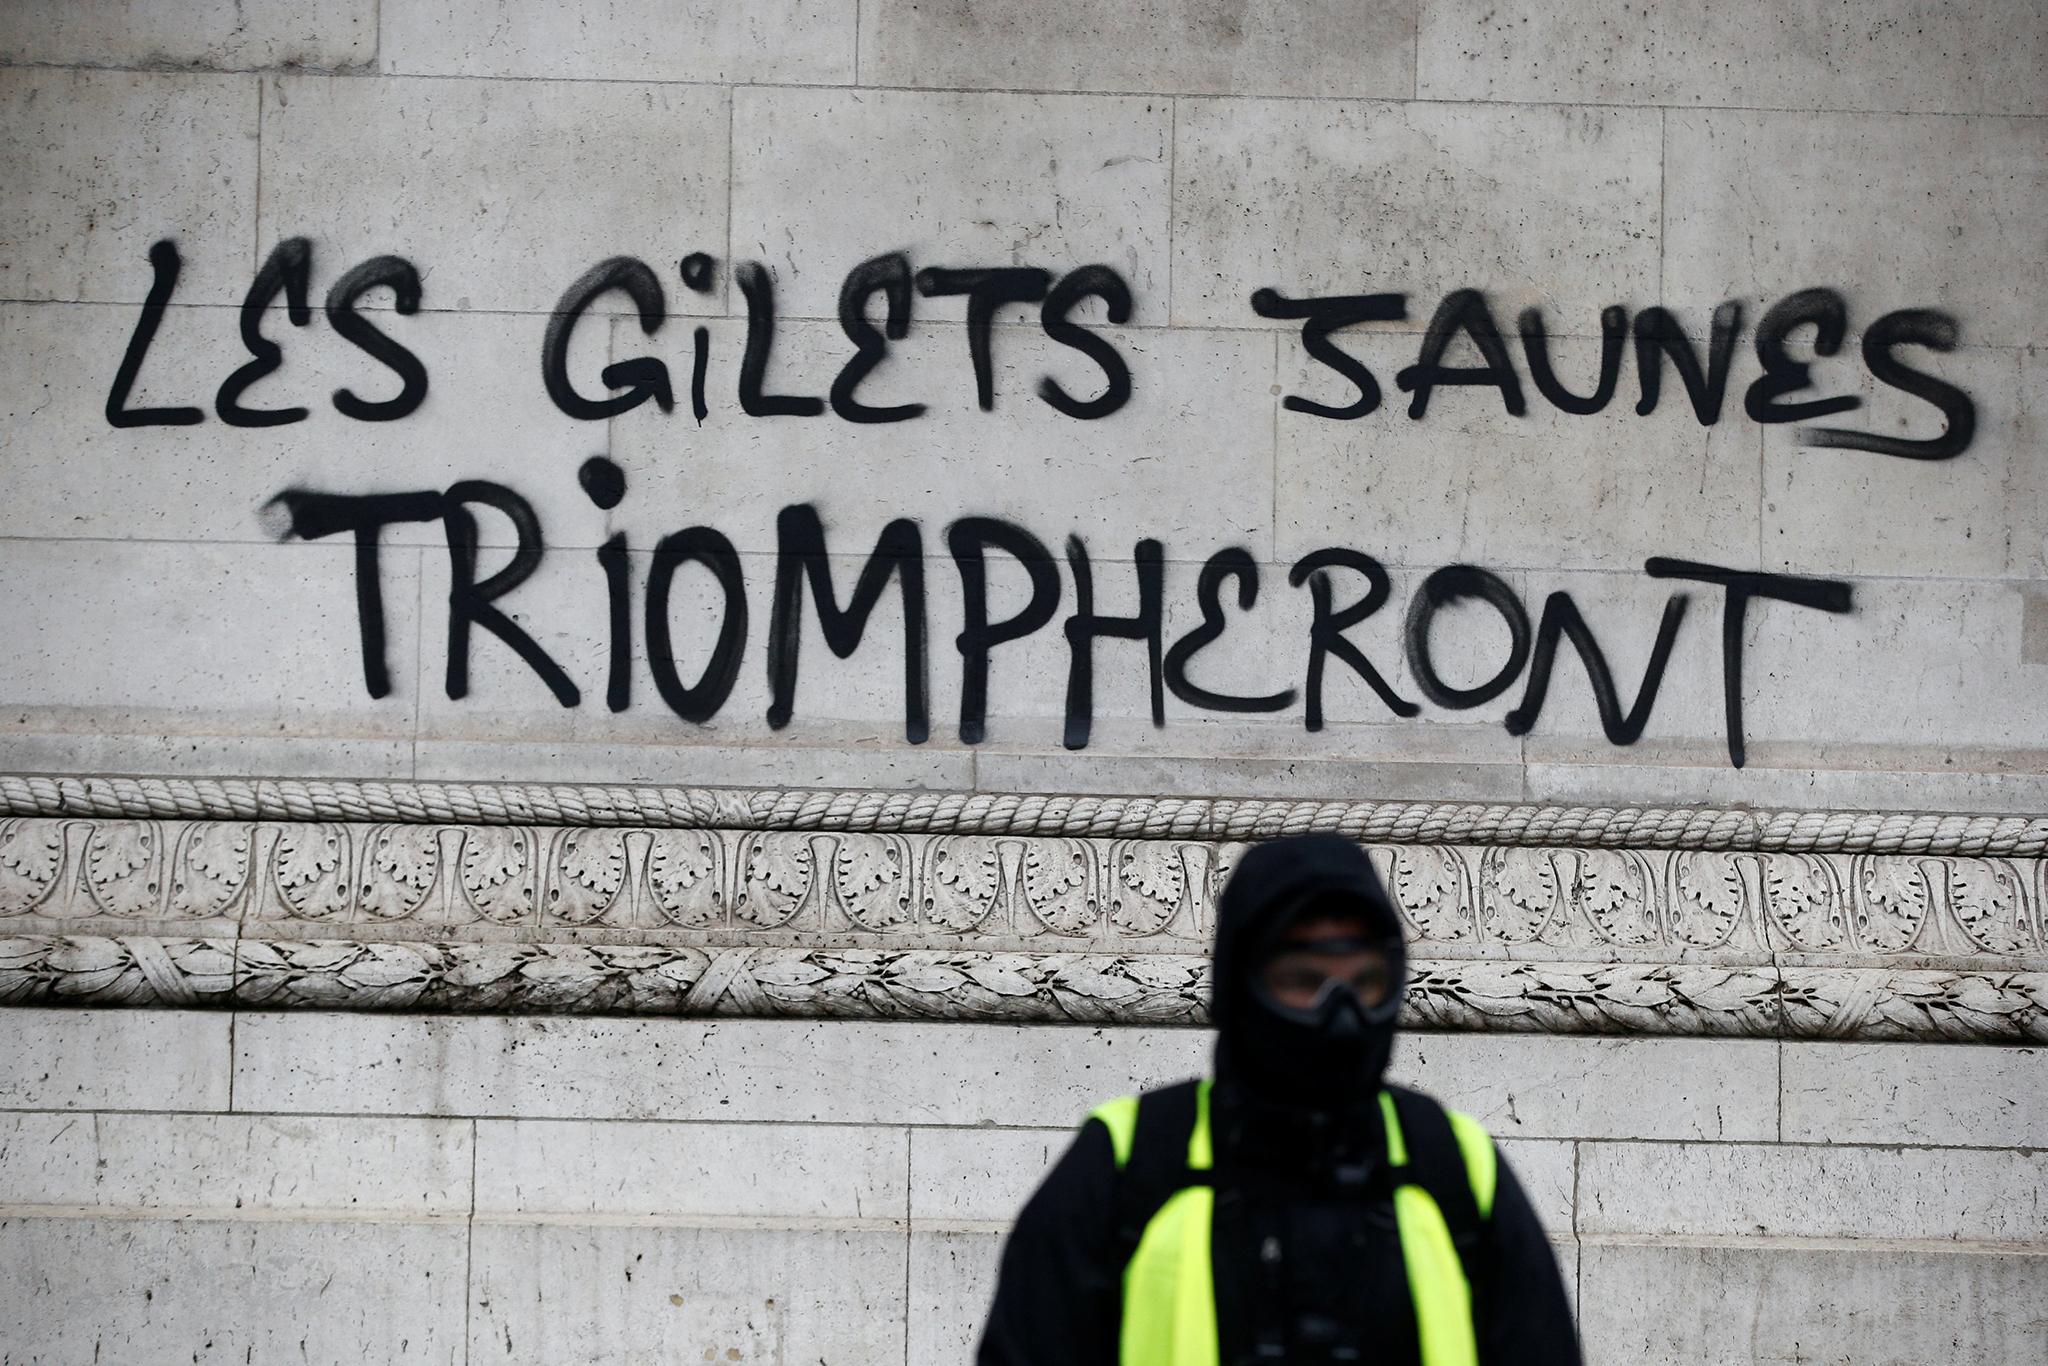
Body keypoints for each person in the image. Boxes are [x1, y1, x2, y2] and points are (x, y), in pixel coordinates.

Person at [977, 832, 1579, 1366]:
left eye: (1363, 982)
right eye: (1303, 981)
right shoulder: (1129, 1168)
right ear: (1240, 987)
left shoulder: (1453, 1169)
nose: (1339, 1018)